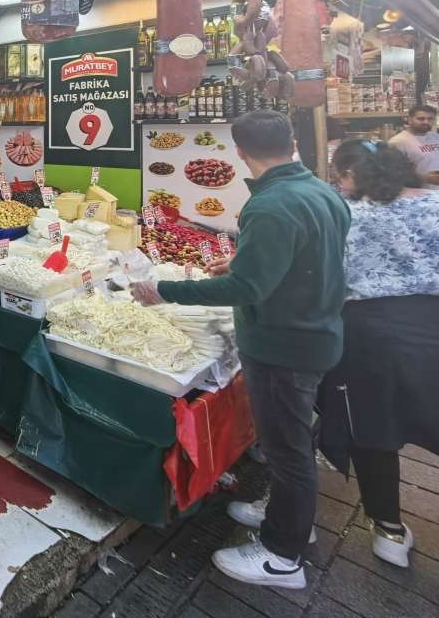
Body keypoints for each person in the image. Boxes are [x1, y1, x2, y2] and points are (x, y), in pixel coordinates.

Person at [132, 110, 350, 590]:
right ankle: (287, 516)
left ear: (238, 151)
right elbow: (308, 256)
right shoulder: (322, 191)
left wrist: (163, 290)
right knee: (292, 442)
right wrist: (242, 260)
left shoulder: (270, 205)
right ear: (292, 142)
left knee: (288, 451)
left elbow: (246, 290)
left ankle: (283, 556)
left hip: (283, 344)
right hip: (315, 333)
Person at [317, 139, 439, 569]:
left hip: (369, 334)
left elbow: (328, 277)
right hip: (432, 326)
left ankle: (389, 530)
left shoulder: (350, 214)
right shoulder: (436, 203)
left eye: (341, 178)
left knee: (372, 430)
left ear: (354, 174)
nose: (340, 186)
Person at [388, 104, 439, 185]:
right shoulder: (398, 142)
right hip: (419, 191)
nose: (426, 122)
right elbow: (392, 174)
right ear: (409, 120)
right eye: (420, 119)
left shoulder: (436, 136)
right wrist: (424, 178)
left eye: (430, 119)